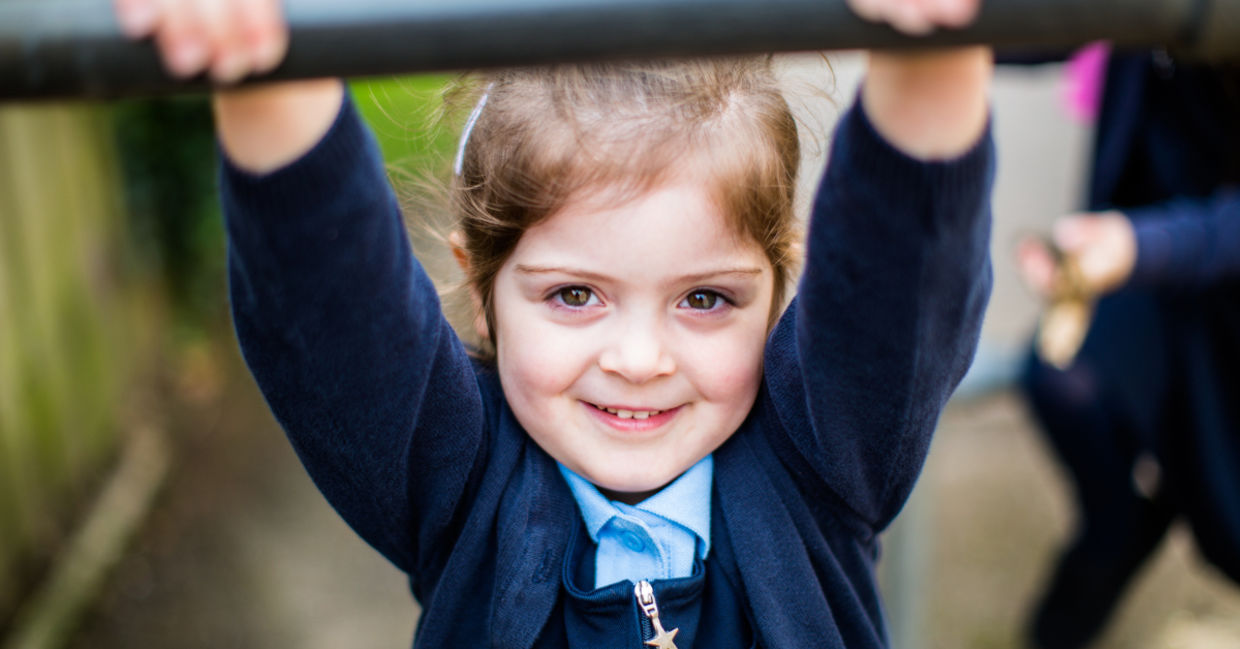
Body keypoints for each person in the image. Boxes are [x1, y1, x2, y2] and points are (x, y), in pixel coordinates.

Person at [116, 0, 994, 646]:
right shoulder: (456, 481)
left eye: (705, 298)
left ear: (780, 282)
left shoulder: (822, 459)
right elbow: (330, 306)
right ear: (481, 288)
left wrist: (934, 48)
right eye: (574, 295)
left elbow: (903, 274)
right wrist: (261, 62)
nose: (641, 359)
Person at [1014, 47, 1240, 649]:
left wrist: (1142, 245)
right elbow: (1037, 26)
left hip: (1211, 269)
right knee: (1062, 379)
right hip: (1139, 265)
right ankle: (1121, 527)